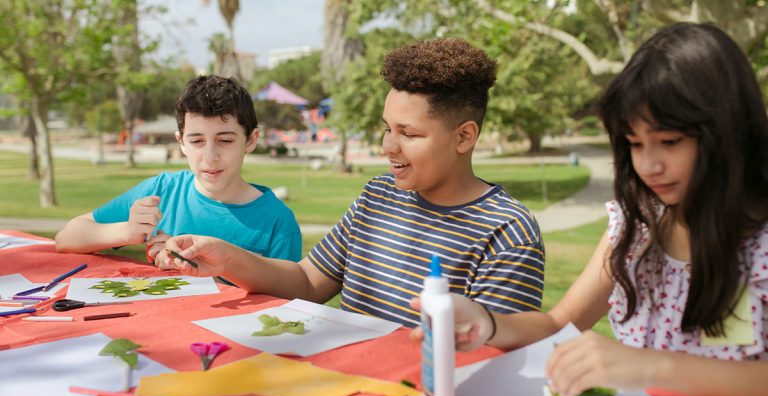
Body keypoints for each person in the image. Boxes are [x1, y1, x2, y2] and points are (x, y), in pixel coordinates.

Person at [415, 23, 768, 396]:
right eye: (634, 143)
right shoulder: (639, 225)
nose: (649, 166)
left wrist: (648, 365)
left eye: (669, 142)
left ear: (727, 132)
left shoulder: (760, 245)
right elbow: (557, 323)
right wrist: (486, 323)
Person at [163, 38, 545, 328]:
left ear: (464, 137)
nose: (387, 146)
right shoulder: (378, 196)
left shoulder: (507, 231)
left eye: (408, 134)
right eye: (386, 129)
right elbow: (308, 282)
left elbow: (492, 355)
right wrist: (225, 257)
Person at [55, 75, 302, 271]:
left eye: (225, 141)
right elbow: (66, 238)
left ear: (250, 140)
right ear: (181, 142)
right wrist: (128, 232)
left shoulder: (278, 222)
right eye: (197, 141)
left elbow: (287, 304)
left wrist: (199, 263)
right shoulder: (161, 190)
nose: (210, 156)